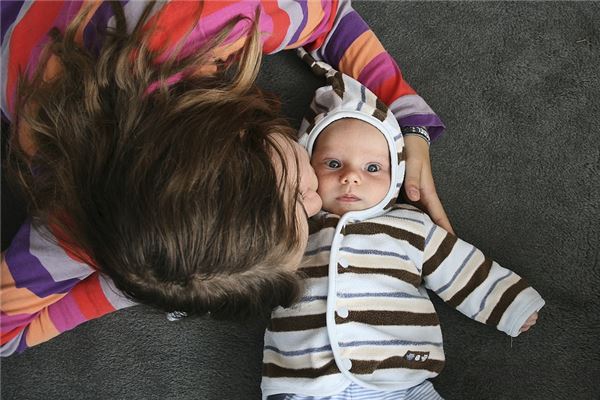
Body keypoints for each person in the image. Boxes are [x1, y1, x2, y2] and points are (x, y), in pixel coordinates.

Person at [1, 1, 448, 356]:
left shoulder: (218, 19)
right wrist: (135, 275)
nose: (316, 204)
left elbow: (328, 15)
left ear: (242, 138)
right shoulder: (74, 219)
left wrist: (406, 113)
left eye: (296, 199)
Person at [261, 55, 544, 399]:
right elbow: (241, 255)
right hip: (305, 383)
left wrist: (509, 302)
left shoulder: (410, 226)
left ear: (396, 175)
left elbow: (460, 268)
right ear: (307, 165)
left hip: (398, 378)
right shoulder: (293, 223)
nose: (350, 177)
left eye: (372, 168)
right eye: (333, 163)